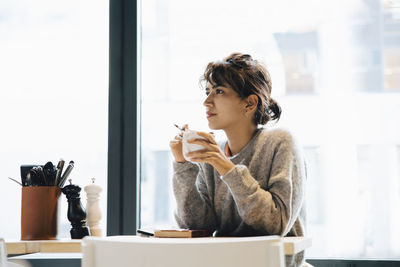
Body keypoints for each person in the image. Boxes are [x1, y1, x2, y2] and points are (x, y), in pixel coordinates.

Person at [169, 53, 307, 267]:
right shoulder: (213, 155)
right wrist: (182, 165)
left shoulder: (280, 142)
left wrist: (224, 165)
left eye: (219, 91)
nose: (206, 101)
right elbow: (198, 226)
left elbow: (275, 223)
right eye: (207, 92)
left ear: (249, 103)